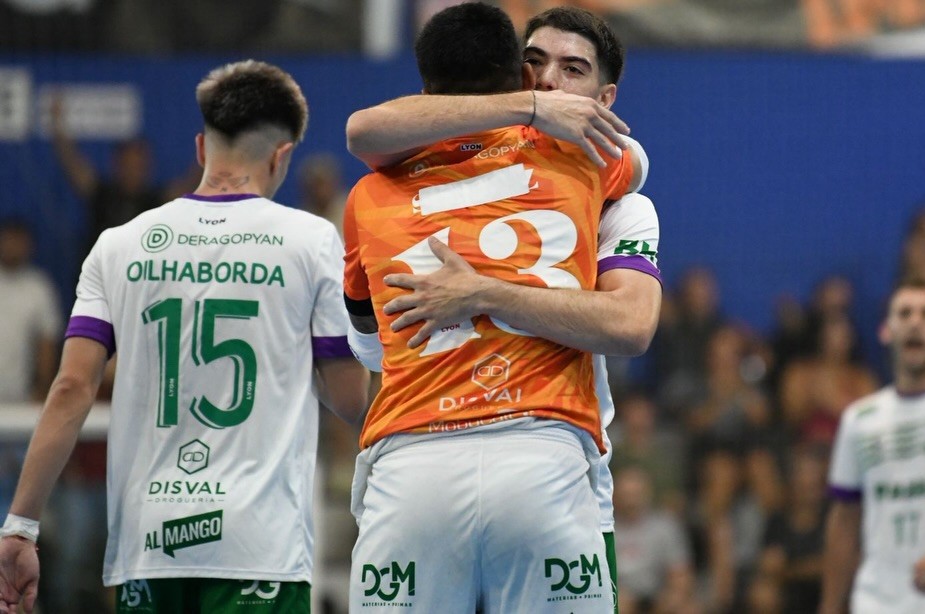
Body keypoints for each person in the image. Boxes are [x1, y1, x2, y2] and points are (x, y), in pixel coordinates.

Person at [0, 59, 369, 614]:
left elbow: (71, 389)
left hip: (152, 545)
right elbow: (349, 400)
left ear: (201, 147)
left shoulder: (118, 245)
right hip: (259, 547)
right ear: (282, 154)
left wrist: (20, 527)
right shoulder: (311, 241)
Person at [345, 6, 661, 609]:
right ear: (514, 76)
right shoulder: (589, 163)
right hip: (540, 447)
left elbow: (368, 346)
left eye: (573, 71)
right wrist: (534, 115)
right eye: (535, 65)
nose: (548, 84)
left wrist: (483, 293)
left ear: (604, 96)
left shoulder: (367, 192)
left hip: (414, 461)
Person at [819, 279, 925, 613]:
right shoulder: (859, 419)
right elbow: (845, 522)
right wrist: (830, 606)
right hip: (876, 602)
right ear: (886, 331)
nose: (915, 322)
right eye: (904, 313)